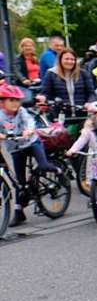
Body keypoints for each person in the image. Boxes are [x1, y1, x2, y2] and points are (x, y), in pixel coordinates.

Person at [0, 84, 60, 226]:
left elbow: (30, 122)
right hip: (15, 148)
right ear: (2, 102)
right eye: (11, 100)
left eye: (17, 100)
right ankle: (19, 213)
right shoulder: (1, 115)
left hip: (31, 143)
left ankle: (59, 171)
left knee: (43, 165)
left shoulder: (21, 112)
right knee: (20, 184)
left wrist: (29, 130)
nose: (15, 103)